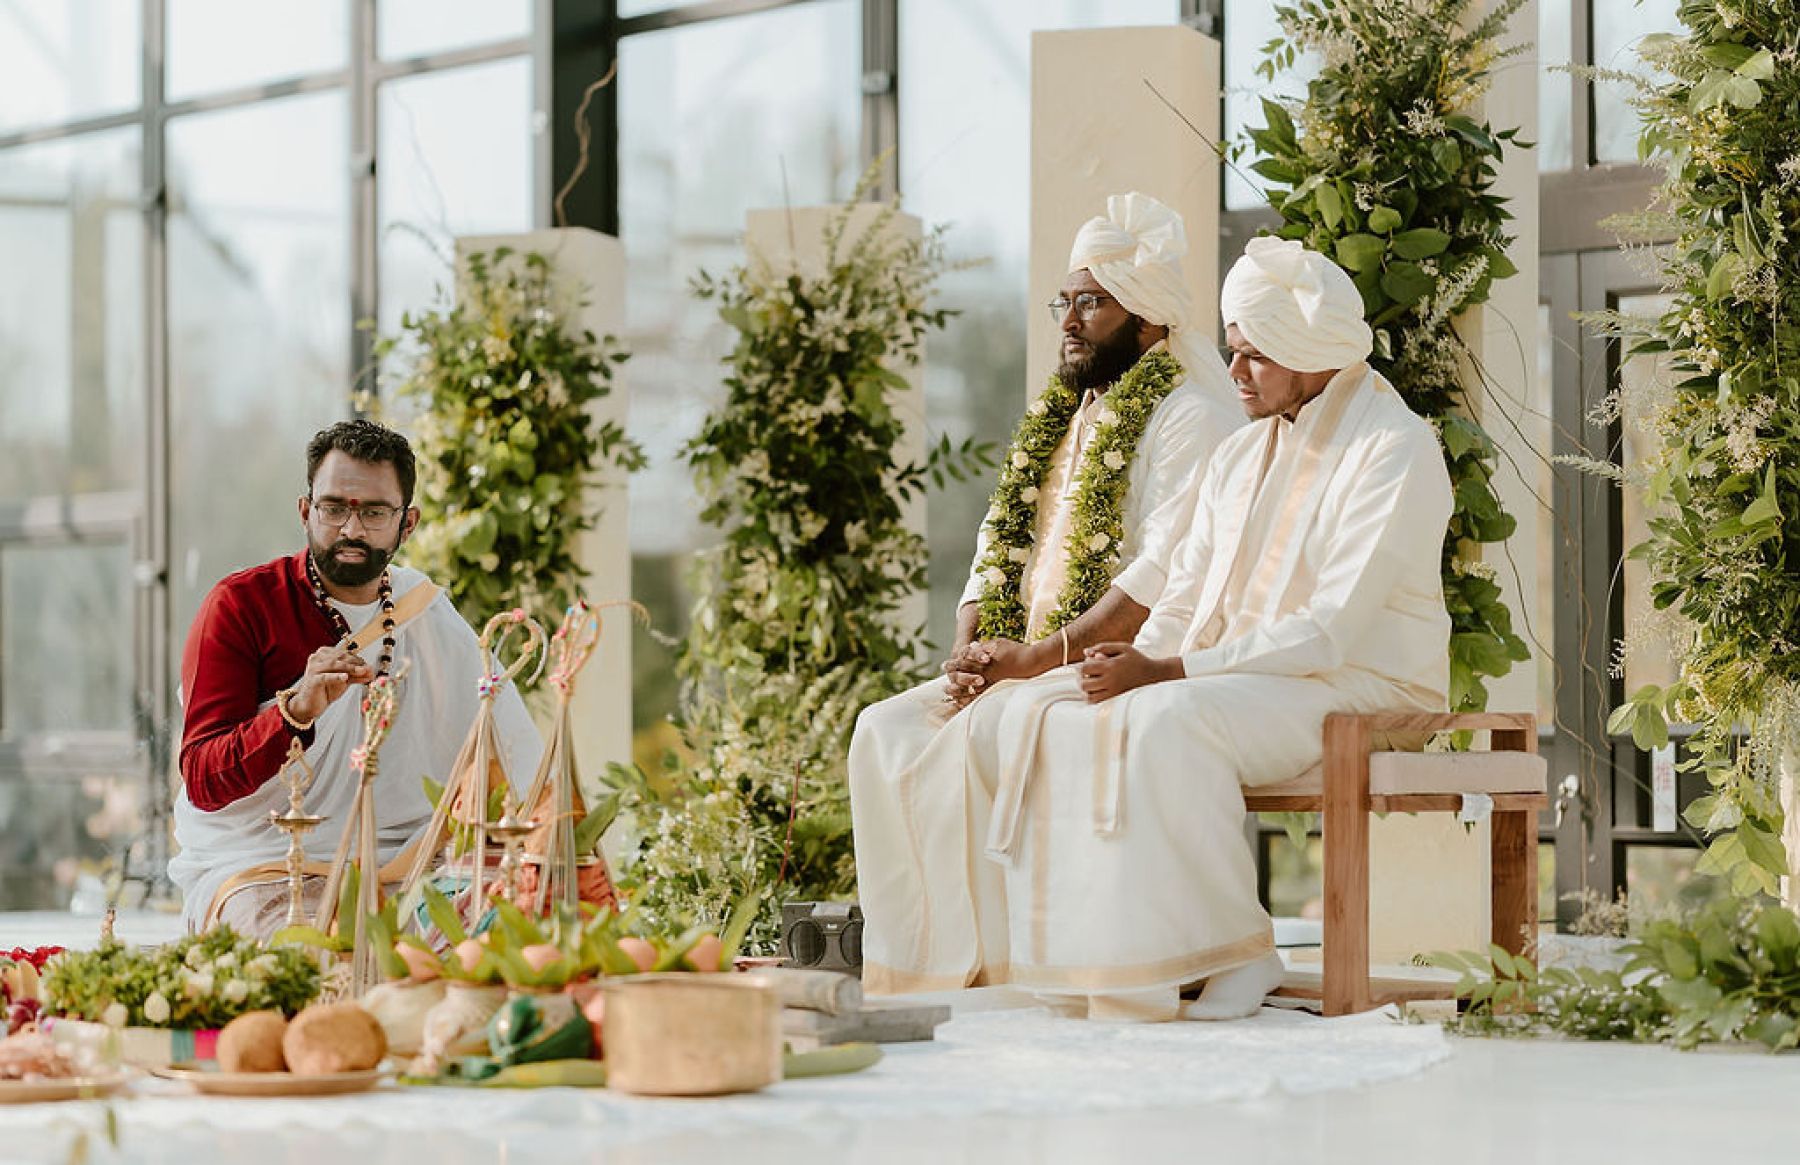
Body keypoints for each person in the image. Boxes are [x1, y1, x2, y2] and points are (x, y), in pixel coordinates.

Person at [859, 236, 1454, 1022]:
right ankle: (1097, 963)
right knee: (1063, 712)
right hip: (1242, 679)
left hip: (1360, 686)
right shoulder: (1242, 455)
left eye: (1255, 357)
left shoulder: (1394, 448)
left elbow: (1328, 632)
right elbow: (1183, 593)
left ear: (1311, 354)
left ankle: (1239, 949)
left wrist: (1167, 673)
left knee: (1167, 718)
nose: (1235, 372)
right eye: (1235, 352)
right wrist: (1124, 659)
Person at [849, 192, 1242, 996]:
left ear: (1150, 319)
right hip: (1018, 657)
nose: (1069, 319)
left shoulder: (1188, 414)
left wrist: (1038, 658)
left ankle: (1021, 967)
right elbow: (996, 545)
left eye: (1091, 303)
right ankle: (931, 965)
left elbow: (1164, 569)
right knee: (883, 728)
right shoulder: (1060, 418)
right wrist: (970, 649)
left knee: (996, 724)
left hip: (1104, 659)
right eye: (1065, 301)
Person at [169, 419, 542, 934]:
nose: (351, 529)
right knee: (296, 956)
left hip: (412, 863)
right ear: (306, 511)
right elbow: (204, 781)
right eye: (334, 507)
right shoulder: (241, 607)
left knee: (510, 933)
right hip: (269, 864)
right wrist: (293, 713)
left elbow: (512, 753)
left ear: (406, 524)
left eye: (373, 511)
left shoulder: (425, 613)